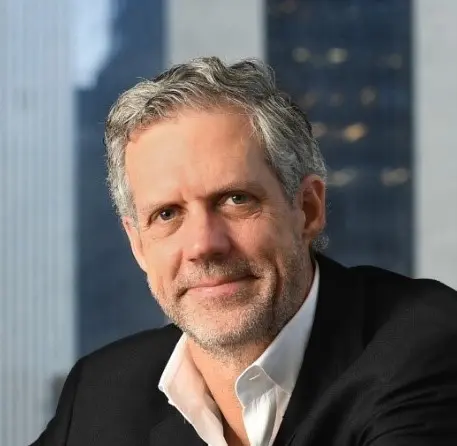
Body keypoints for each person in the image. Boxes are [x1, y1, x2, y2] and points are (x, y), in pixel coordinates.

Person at [32, 57, 457, 446]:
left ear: (308, 209)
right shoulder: (100, 394)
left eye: (236, 200)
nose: (203, 245)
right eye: (167, 214)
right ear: (138, 245)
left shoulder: (427, 345)